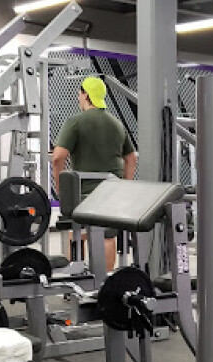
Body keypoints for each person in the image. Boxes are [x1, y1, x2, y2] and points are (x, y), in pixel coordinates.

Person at [52, 76, 137, 272]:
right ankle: (106, 282)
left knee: (77, 232)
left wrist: (61, 188)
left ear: (85, 95)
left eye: (79, 94)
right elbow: (131, 158)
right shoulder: (117, 124)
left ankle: (77, 277)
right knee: (107, 234)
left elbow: (57, 158)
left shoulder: (75, 122)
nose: (78, 98)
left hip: (84, 194)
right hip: (113, 191)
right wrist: (126, 187)